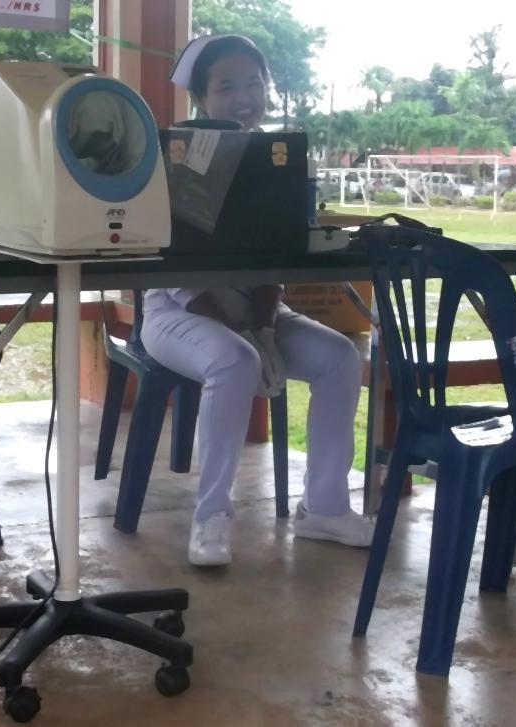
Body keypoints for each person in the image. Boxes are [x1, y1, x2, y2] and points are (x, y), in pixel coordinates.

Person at [142, 34, 374, 565]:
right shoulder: (177, 158)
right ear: (202, 99)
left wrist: (265, 327)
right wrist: (246, 335)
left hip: (256, 307)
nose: (244, 97)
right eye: (227, 87)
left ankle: (325, 508)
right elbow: (178, 274)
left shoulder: (278, 160)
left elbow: (276, 260)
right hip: (178, 310)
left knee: (340, 357)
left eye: (253, 84)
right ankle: (211, 518)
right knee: (234, 359)